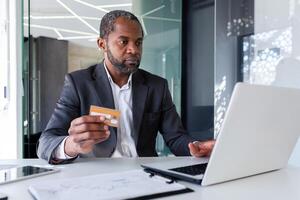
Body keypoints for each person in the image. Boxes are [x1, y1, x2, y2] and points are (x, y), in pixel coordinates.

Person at [37, 10, 215, 164]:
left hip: (144, 173)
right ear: (102, 44)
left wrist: (197, 147)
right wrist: (72, 145)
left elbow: (175, 138)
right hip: (96, 174)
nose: (134, 49)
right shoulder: (79, 83)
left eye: (138, 42)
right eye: (124, 42)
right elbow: (45, 143)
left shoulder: (156, 86)